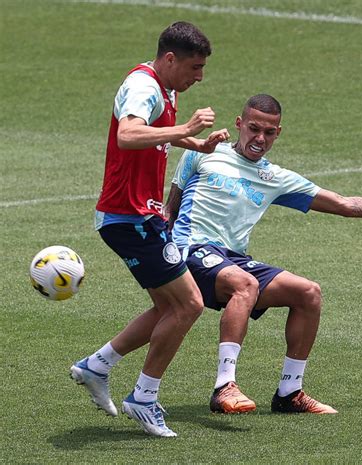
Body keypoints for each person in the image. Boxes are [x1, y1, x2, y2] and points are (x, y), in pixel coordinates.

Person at [166, 94, 362, 415]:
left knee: (308, 293)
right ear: (239, 124)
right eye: (253, 128)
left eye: (270, 132)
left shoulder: (274, 177)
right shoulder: (204, 153)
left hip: (232, 259)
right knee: (243, 284)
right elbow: (169, 209)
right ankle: (224, 386)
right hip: (190, 251)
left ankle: (290, 393)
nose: (260, 138)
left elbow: (345, 204)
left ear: (279, 132)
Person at [70, 21, 229, 438]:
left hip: (142, 216)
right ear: (170, 58)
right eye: (194, 68)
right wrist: (187, 129)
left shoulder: (167, 88)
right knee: (191, 304)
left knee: (170, 308)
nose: (200, 77)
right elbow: (128, 134)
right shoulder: (143, 87)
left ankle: (96, 366)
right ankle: (143, 397)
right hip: (129, 217)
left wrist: (197, 145)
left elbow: (156, 138)